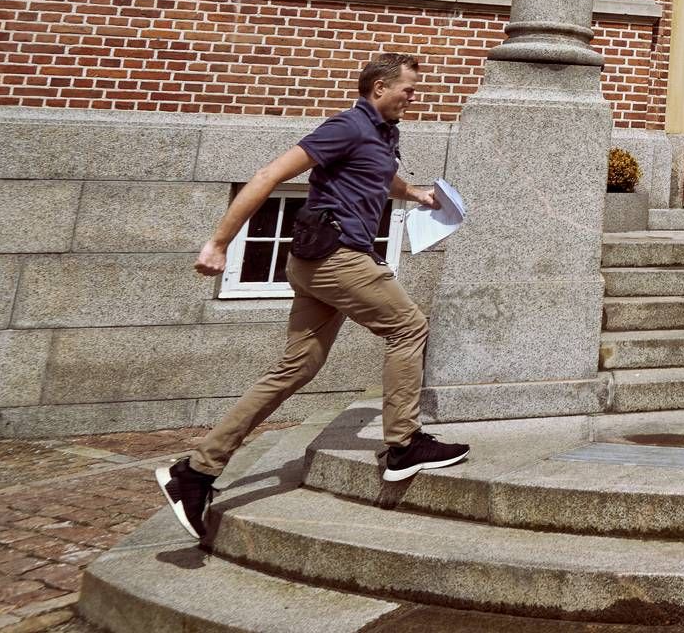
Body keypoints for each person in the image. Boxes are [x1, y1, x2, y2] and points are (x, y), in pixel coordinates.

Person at [155, 53, 470, 542]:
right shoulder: (346, 125)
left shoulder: (383, 132)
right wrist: (218, 243)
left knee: (296, 368)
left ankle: (196, 472)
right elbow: (269, 176)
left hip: (320, 262)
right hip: (336, 257)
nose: (414, 97)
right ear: (380, 87)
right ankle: (403, 445)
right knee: (408, 326)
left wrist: (420, 195)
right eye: (408, 89)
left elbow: (382, 179)